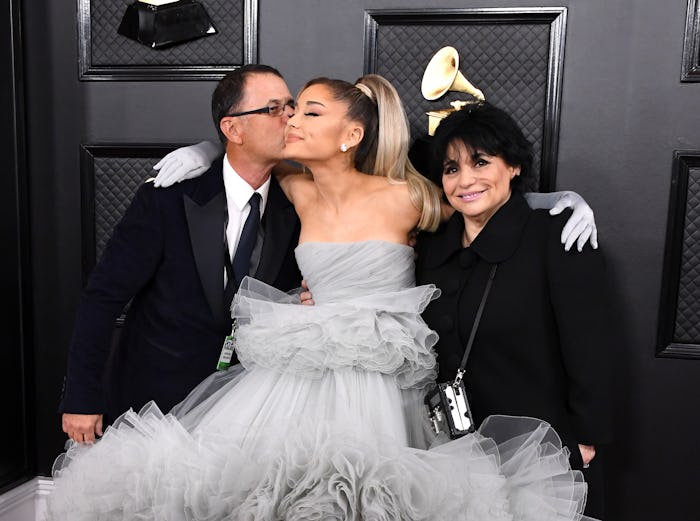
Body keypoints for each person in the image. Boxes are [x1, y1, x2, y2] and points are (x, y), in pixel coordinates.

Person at [48, 75, 599, 521]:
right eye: (286, 111)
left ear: (350, 135)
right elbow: (241, 155)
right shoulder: (294, 187)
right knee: (260, 491)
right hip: (297, 366)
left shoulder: (407, 196)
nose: (289, 120)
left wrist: (562, 199)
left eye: (307, 112)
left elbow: (478, 195)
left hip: (379, 373)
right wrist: (202, 149)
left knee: (369, 496)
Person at [58, 64, 302, 444]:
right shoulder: (167, 197)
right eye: (273, 109)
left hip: (246, 414)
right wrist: (82, 396)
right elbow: (103, 296)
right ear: (232, 129)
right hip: (154, 408)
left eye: (292, 105)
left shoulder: (302, 206)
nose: (290, 117)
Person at [414, 102, 615, 518]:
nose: (465, 180)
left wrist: (586, 439)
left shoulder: (556, 236)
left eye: (481, 162)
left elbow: (592, 345)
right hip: (446, 447)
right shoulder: (431, 246)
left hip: (537, 450)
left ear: (514, 167)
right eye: (451, 169)